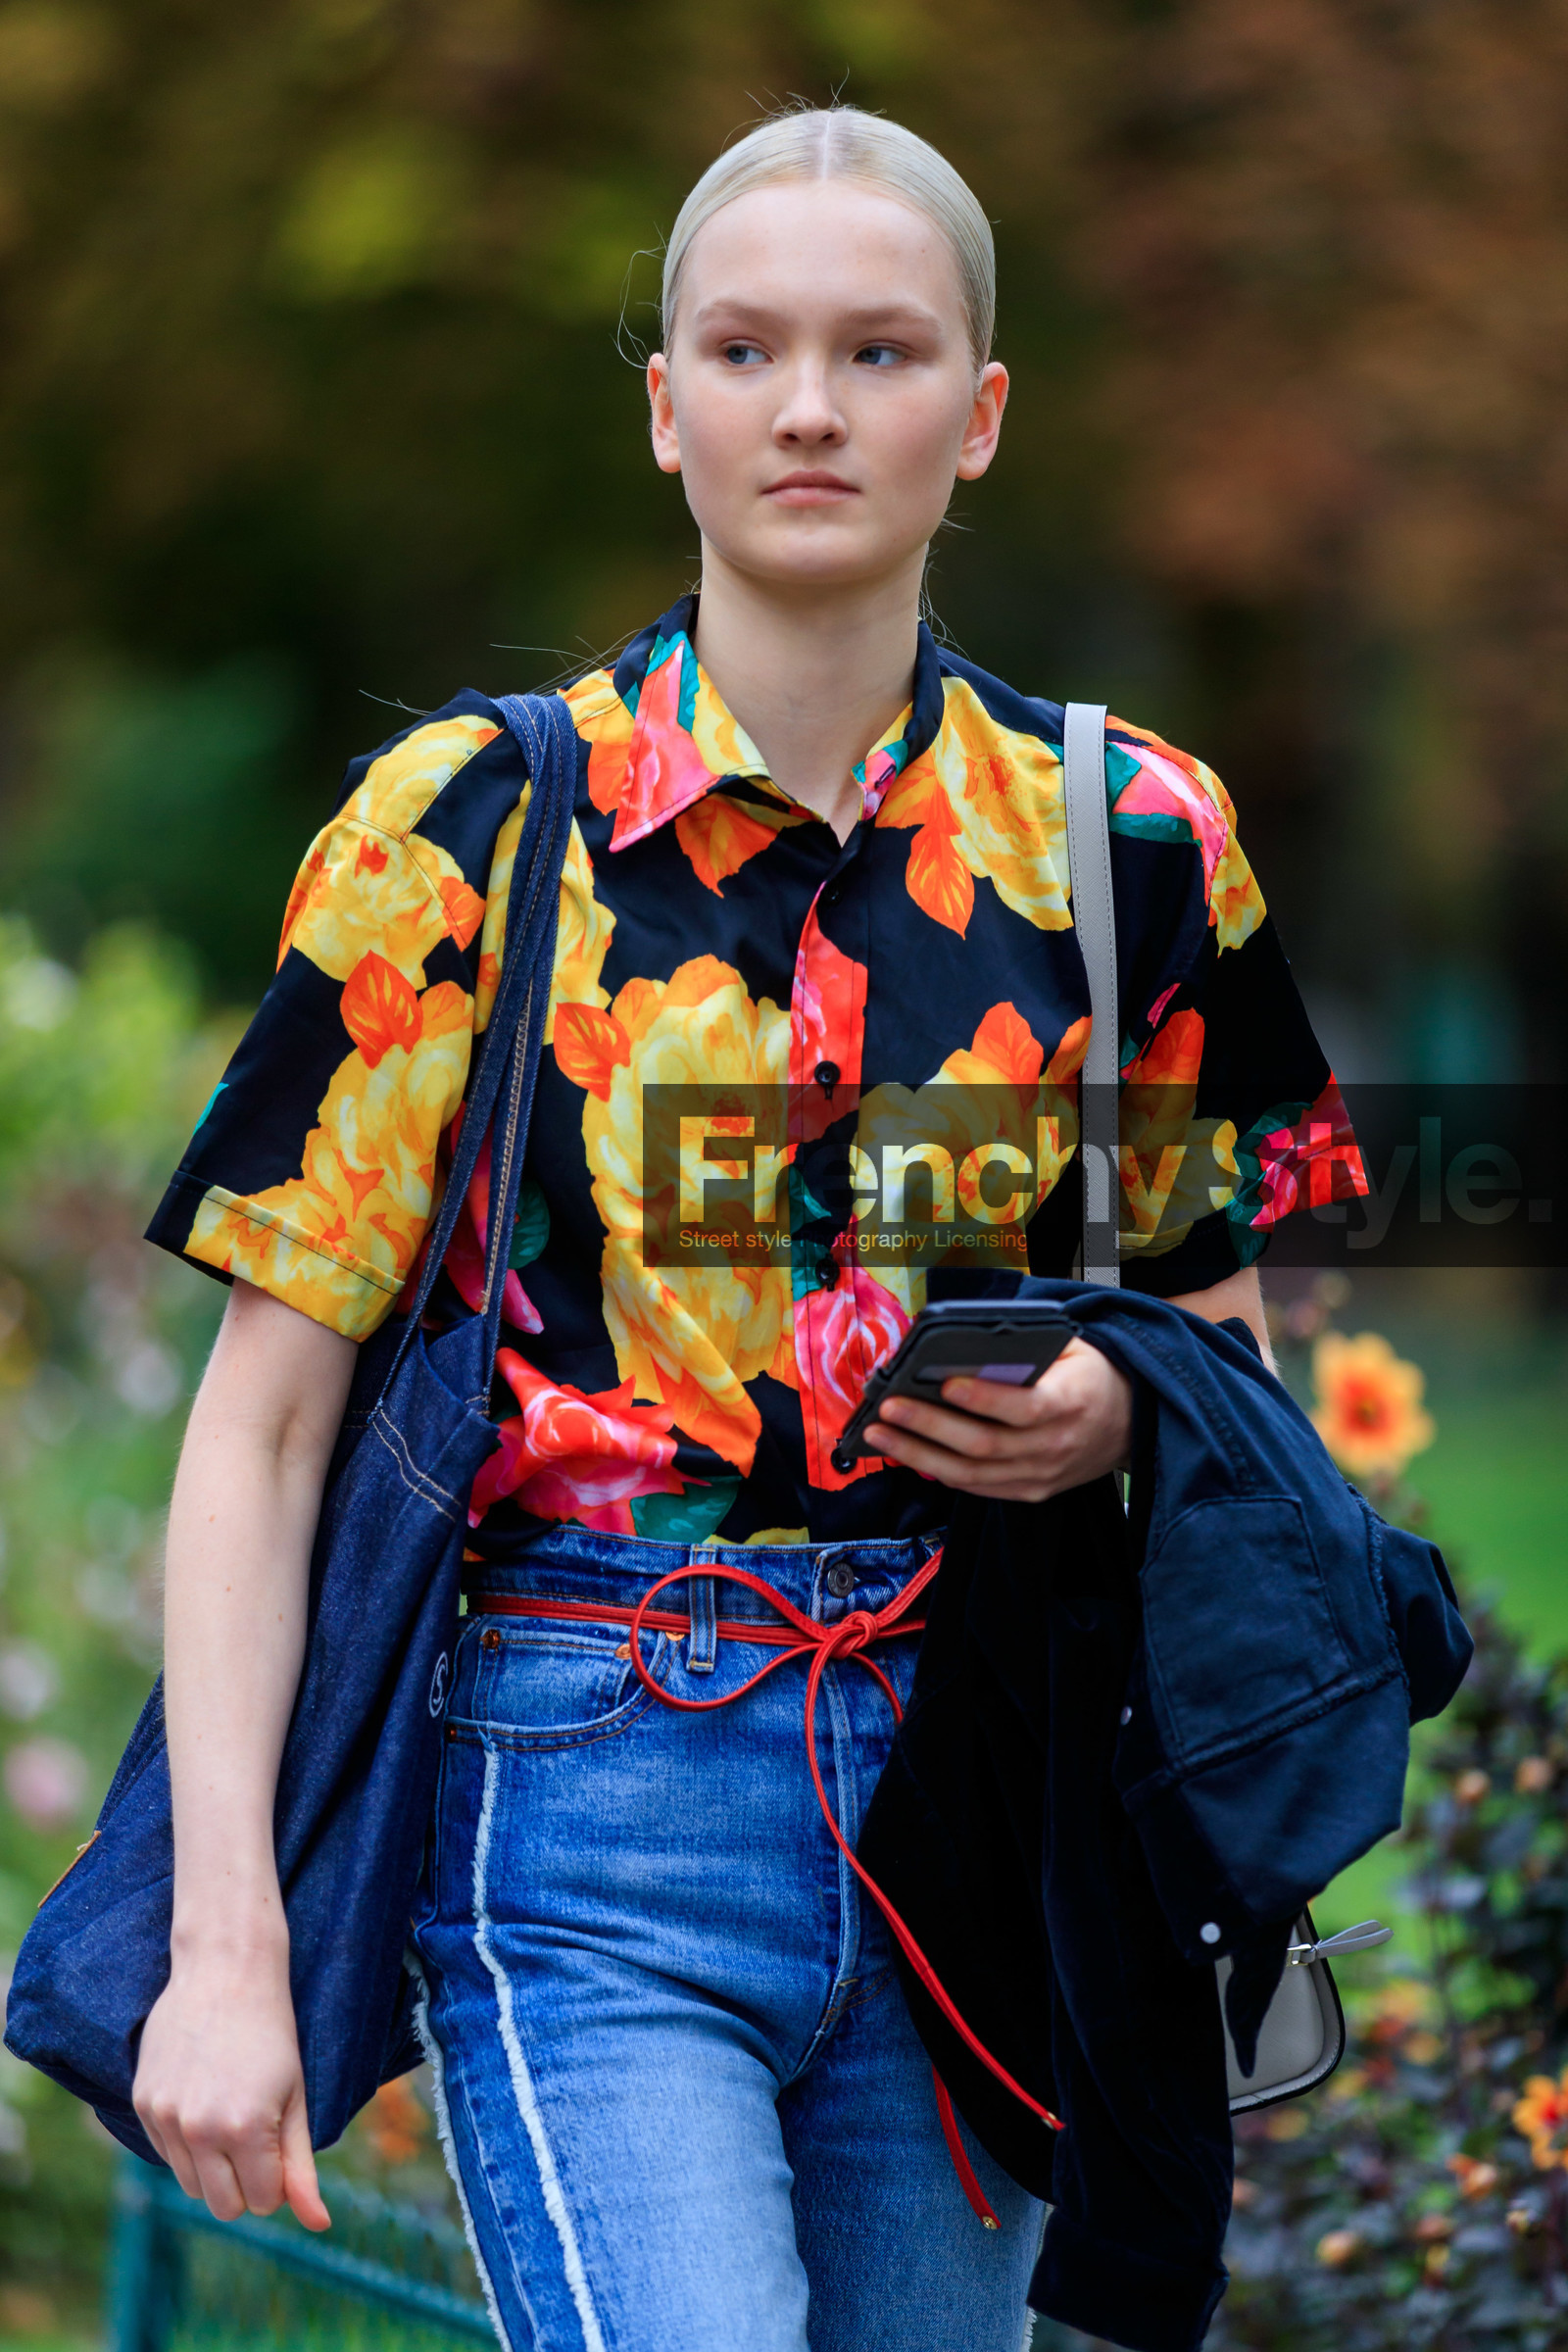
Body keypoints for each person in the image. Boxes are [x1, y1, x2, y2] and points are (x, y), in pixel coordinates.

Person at [130, 105, 1352, 2352]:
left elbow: (1228, 1379)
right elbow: (260, 1441)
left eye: (881, 352)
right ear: (664, 408)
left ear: (976, 418)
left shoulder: (1135, 838)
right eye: (745, 348)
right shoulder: (469, 830)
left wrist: (1111, 1407)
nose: (809, 405)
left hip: (977, 1800)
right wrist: (226, 1950)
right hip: (583, 1782)